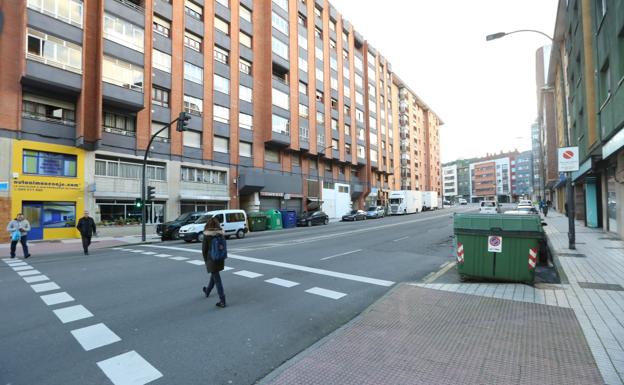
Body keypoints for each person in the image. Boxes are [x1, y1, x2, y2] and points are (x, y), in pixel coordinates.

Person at [201, 217, 226, 308]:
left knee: (217, 279)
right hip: (220, 258)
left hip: (211, 259)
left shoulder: (207, 235)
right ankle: (207, 290)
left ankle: (222, 300)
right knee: (214, 275)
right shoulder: (220, 234)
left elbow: (204, 250)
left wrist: (206, 261)